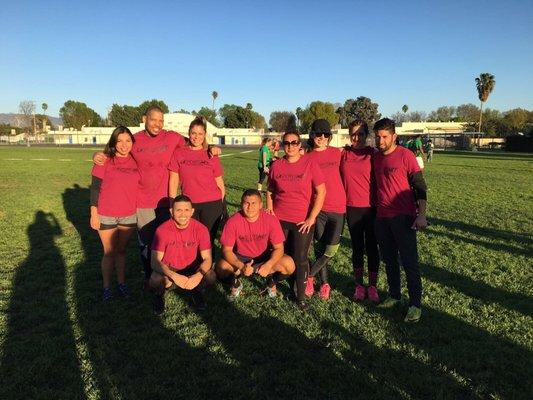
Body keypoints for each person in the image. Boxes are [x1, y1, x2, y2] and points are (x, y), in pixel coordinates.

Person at [93, 107, 221, 286]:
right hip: (142, 202)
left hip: (165, 202)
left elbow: (194, 141)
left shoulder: (172, 137)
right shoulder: (135, 138)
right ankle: (150, 276)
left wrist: (213, 147)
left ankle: (167, 276)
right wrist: (100, 155)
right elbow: (118, 149)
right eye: (153, 120)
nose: (157, 124)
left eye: (161, 120)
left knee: (166, 243)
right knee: (146, 243)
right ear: (145, 119)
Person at [373, 118, 428, 323]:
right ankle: (394, 295)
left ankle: (415, 304)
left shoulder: (406, 156)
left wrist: (421, 214)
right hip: (382, 218)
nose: (380, 141)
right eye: (377, 136)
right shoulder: (376, 158)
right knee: (388, 260)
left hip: (404, 217)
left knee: (409, 262)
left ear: (394, 136)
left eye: (385, 137)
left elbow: (420, 187)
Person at [266, 131, 326, 310]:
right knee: (280, 256)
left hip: (302, 221)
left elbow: (321, 192)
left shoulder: (309, 162)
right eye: (287, 143)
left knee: (300, 259)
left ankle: (300, 296)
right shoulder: (277, 165)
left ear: (300, 144)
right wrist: (270, 210)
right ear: (283, 145)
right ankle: (273, 280)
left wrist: (311, 218)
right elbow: (270, 191)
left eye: (294, 142)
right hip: (280, 220)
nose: (291, 146)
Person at [216, 189, 295, 299]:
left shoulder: (271, 220)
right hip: (240, 257)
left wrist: (268, 265)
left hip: (263, 256)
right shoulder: (233, 221)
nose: (250, 207)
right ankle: (236, 284)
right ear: (241, 204)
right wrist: (241, 266)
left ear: (260, 205)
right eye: (246, 203)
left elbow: (279, 248)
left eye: (254, 203)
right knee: (221, 268)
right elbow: (226, 250)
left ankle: (270, 283)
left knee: (289, 265)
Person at [90, 126, 139, 301]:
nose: (124, 145)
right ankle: (106, 287)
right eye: (119, 141)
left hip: (129, 214)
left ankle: (122, 283)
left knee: (121, 250)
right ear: (113, 142)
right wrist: (93, 213)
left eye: (128, 141)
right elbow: (95, 188)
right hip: (106, 213)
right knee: (109, 252)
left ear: (132, 142)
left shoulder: (136, 161)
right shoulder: (105, 160)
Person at [149, 195, 216, 314]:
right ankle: (159, 296)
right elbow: (154, 261)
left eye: (186, 210)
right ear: (171, 211)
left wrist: (199, 275)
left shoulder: (201, 229)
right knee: (154, 279)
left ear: (192, 211)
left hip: (192, 268)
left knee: (210, 275)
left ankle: (196, 290)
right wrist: (174, 276)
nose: (183, 214)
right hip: (171, 268)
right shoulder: (162, 230)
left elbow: (207, 258)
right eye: (178, 210)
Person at [304, 119, 346, 300]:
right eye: (318, 134)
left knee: (331, 250)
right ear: (312, 135)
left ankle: (309, 275)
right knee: (320, 250)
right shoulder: (306, 157)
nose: (322, 138)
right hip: (318, 209)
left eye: (326, 134)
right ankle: (325, 284)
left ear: (330, 136)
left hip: (338, 208)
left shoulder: (338, 153)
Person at [340, 120, 380, 302]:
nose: (357, 138)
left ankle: (372, 286)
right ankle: (358, 285)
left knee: (372, 247)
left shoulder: (374, 154)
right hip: (352, 207)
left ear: (367, 135)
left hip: (371, 208)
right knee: (357, 247)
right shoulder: (344, 154)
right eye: (353, 134)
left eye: (361, 134)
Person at [168, 116, 225, 242]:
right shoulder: (179, 153)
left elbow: (219, 182)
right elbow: (173, 180)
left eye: (200, 133)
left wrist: (222, 204)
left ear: (205, 135)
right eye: (193, 133)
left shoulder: (211, 154)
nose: (196, 137)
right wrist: (172, 203)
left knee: (208, 240)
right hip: (189, 204)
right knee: (191, 240)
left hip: (212, 204)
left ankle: (208, 262)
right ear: (189, 133)